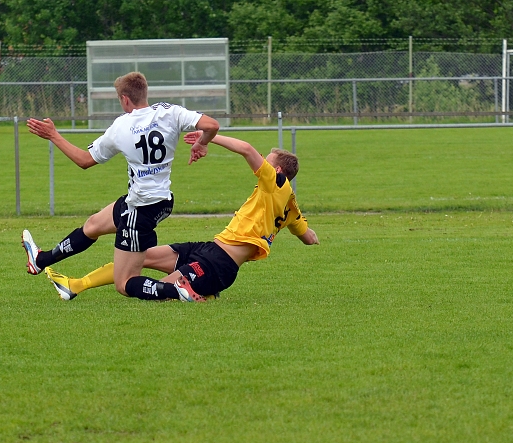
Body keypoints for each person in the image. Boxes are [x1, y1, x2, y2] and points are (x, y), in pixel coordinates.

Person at [43, 133, 319, 302]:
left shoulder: (276, 183)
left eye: (267, 160)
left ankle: (197, 293)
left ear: (278, 170)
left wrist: (207, 137)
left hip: (219, 265)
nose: (261, 162)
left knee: (163, 290)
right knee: (138, 257)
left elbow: (246, 148)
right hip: (209, 249)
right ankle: (75, 285)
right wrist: (314, 238)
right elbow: (308, 237)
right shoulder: (290, 205)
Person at [21, 71, 221, 300]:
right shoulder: (170, 112)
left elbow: (84, 160)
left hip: (142, 207)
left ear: (125, 99)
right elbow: (212, 125)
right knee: (93, 225)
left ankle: (176, 290)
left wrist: (54, 136)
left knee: (124, 282)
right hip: (160, 200)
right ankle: (41, 260)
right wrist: (201, 143)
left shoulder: (121, 126)